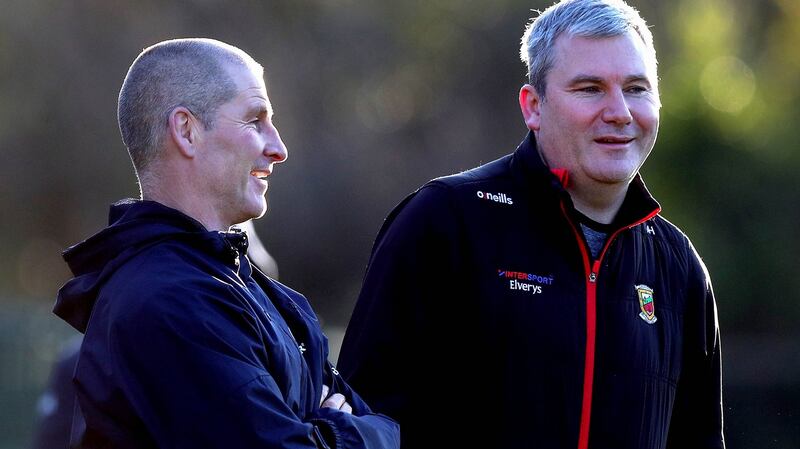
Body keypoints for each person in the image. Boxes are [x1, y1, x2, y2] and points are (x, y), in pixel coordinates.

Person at [337, 1, 724, 448]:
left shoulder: (679, 265)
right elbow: (359, 424)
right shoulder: (442, 222)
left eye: (636, 88)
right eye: (590, 88)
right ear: (533, 106)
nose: (619, 112)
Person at [53, 38, 399, 449]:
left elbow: (386, 428)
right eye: (255, 120)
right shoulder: (168, 301)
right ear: (186, 131)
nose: (279, 148)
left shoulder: (256, 290)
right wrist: (343, 430)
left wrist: (331, 430)